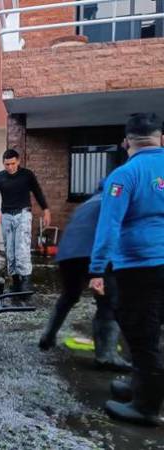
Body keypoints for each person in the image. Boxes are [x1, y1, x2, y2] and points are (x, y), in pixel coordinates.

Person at [89, 113, 164, 427]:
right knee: (154, 329)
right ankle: (140, 385)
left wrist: (96, 269)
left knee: (141, 335)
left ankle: (146, 407)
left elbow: (109, 227)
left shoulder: (123, 175)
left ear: (126, 142)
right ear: (161, 138)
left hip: (139, 267)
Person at [38, 181, 131, 371]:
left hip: (67, 254)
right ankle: (106, 356)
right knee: (108, 302)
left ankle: (48, 335)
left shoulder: (86, 205)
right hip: (94, 252)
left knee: (69, 295)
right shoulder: (113, 200)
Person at [0, 149, 50, 295]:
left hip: (23, 214)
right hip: (7, 216)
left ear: (19, 161)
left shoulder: (27, 175)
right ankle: (15, 281)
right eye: (6, 164)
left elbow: (37, 192)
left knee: (21, 249)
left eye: (12, 163)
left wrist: (46, 209)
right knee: (10, 251)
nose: (10, 167)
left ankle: (26, 282)